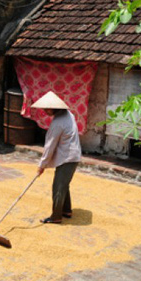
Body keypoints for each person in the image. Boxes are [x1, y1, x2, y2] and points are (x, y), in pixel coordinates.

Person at [31, 91, 82, 224]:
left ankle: (56, 217)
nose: (44, 111)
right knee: (64, 184)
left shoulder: (58, 123)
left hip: (68, 157)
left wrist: (41, 165)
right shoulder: (68, 115)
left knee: (58, 186)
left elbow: (50, 146)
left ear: (54, 107)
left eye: (46, 108)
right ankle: (66, 210)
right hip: (71, 155)